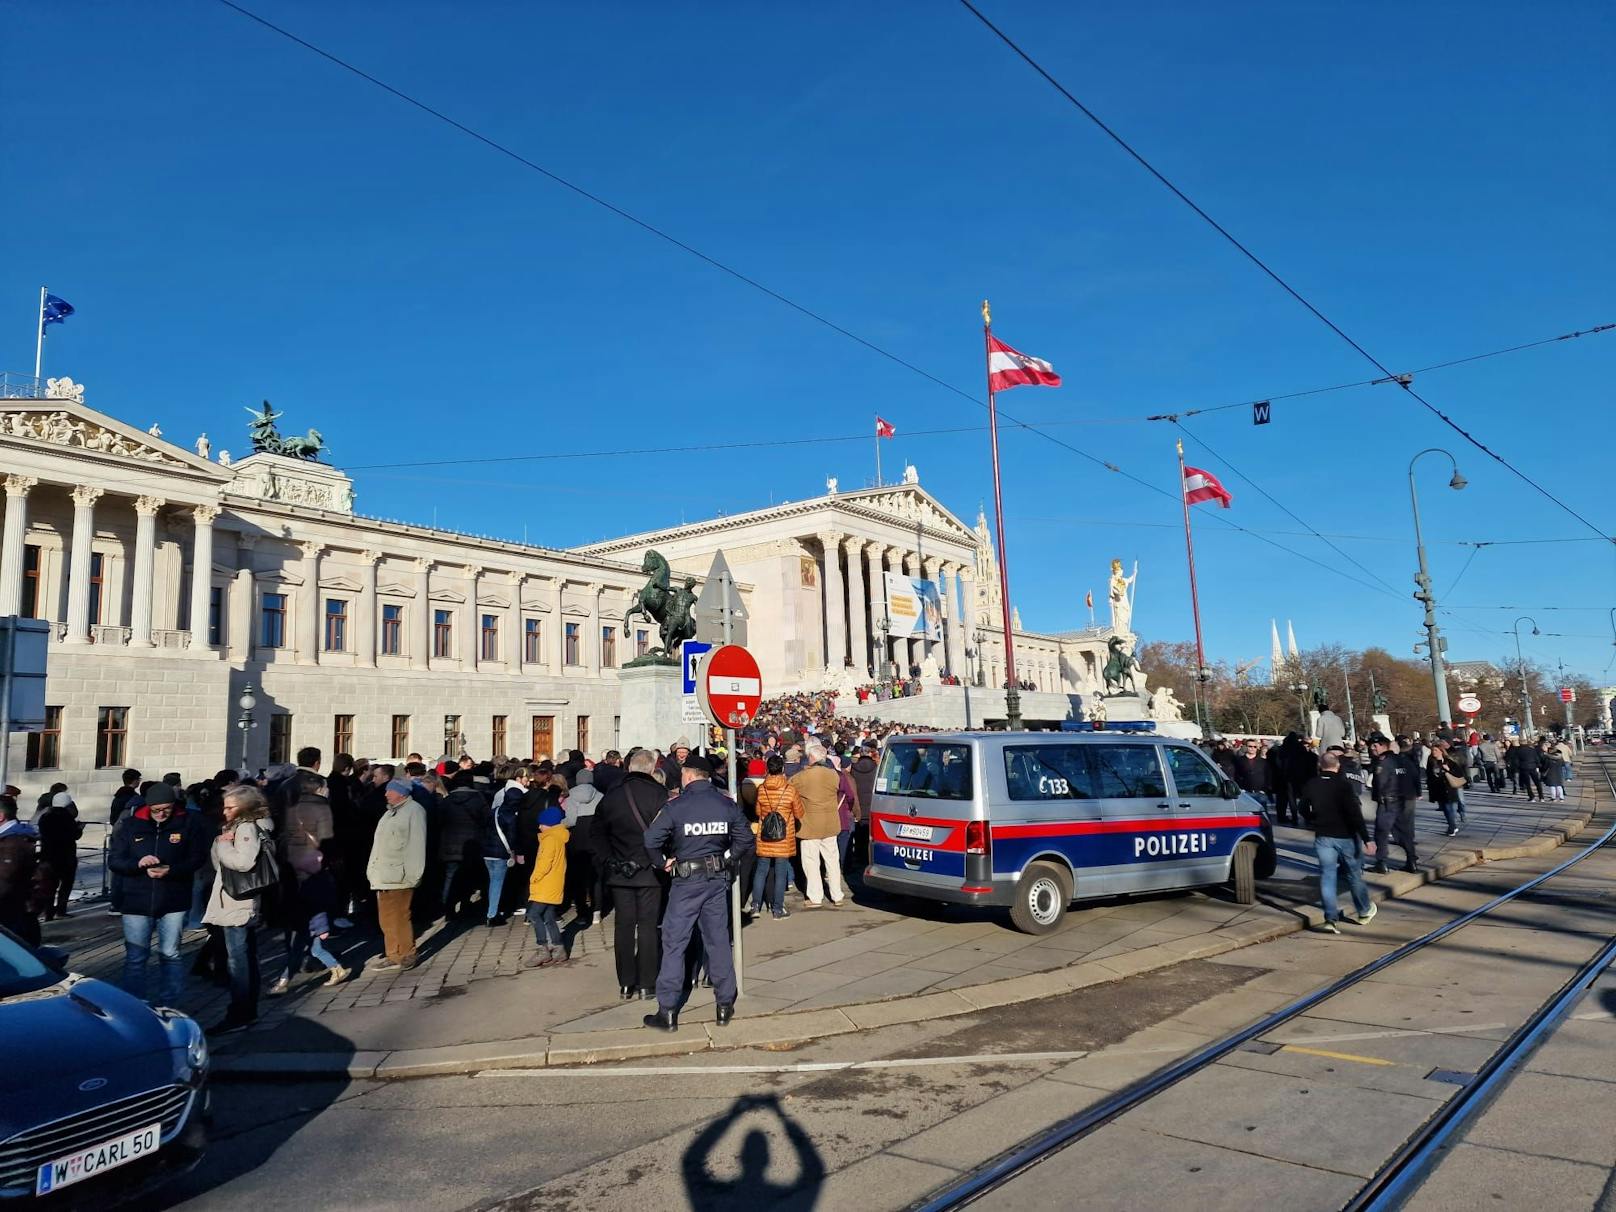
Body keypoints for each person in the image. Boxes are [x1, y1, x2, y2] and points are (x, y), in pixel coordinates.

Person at [641, 755, 754, 1031]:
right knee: (717, 941)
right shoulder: (725, 804)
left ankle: (667, 1010)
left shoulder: (676, 807)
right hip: (716, 879)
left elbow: (650, 840)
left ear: (689, 776)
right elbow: (746, 839)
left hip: (686, 882)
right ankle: (724, 1004)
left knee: (675, 942)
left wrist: (661, 861)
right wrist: (728, 858)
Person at [108, 783, 209, 1005]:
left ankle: (169, 1002)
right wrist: (138, 863)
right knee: (136, 956)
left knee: (170, 954)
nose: (162, 814)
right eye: (156, 810)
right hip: (136, 899)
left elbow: (197, 859)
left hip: (173, 898)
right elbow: (115, 861)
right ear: (148, 807)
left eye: (167, 809)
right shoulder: (131, 825)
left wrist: (171, 870)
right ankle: (135, 1003)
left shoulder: (187, 823)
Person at [594, 749, 669, 999]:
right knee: (648, 926)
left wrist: (609, 860)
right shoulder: (660, 795)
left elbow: (598, 833)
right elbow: (669, 833)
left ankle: (626, 983)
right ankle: (647, 983)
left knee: (623, 927)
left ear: (629, 768)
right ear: (652, 768)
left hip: (619, 871)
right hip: (650, 870)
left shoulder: (611, 797)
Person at [204, 785, 275, 1035]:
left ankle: (240, 1013)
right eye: (224, 806)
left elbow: (242, 862)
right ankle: (246, 1010)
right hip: (236, 900)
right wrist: (221, 842)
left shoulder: (246, 828)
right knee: (245, 956)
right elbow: (219, 865)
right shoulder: (238, 827)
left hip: (237, 902)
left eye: (231, 807)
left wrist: (223, 845)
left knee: (238, 961)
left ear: (245, 807)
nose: (225, 812)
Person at [1301, 752, 1377, 933]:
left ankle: (1330, 919)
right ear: (1338, 766)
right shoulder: (1344, 785)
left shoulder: (1312, 784)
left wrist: (1312, 819)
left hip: (1323, 835)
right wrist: (1367, 839)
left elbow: (1302, 807)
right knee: (1353, 876)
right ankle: (1364, 910)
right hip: (1345, 835)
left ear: (1320, 765)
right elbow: (1354, 814)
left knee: (1327, 877)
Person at [367, 778, 427, 971]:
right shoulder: (389, 813)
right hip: (383, 875)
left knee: (400, 916)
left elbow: (417, 845)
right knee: (386, 919)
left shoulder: (414, 811)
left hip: (401, 875)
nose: (386, 794)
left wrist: (414, 874)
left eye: (390, 791)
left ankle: (407, 953)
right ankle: (393, 953)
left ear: (401, 792)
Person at [790, 742, 846, 907]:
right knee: (832, 861)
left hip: (810, 825)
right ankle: (837, 895)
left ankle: (815, 896)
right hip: (830, 823)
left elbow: (791, 785)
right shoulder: (833, 775)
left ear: (812, 758)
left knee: (811, 861)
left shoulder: (803, 776)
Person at [751, 755, 802, 920]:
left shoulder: (761, 789)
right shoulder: (789, 789)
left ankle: (755, 906)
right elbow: (799, 812)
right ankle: (778, 909)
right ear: (783, 769)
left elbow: (758, 812)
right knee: (781, 874)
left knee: (761, 871)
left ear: (767, 769)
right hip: (783, 836)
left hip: (765, 835)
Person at [437, 771, 488, 919]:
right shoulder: (478, 799)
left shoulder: (448, 800)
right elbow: (486, 820)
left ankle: (448, 908)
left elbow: (439, 820)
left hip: (450, 845)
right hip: (472, 845)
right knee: (468, 878)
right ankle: (465, 906)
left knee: (450, 877)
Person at [524, 806, 568, 968]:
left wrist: (533, 878)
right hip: (553, 884)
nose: (539, 827)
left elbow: (544, 863)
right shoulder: (558, 837)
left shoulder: (549, 839)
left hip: (545, 885)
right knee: (548, 917)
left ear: (548, 824)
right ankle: (559, 948)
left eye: (541, 824)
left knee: (534, 914)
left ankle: (543, 949)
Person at [1367, 734, 1419, 874]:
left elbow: (1380, 783)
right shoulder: (1403, 760)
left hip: (1387, 803)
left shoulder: (1383, 762)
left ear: (1384, 746)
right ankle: (1411, 861)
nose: (1372, 749)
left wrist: (1377, 796)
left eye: (1375, 746)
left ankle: (1381, 863)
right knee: (1404, 833)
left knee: (1381, 833)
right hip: (1402, 800)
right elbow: (1414, 776)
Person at [562, 769, 603, 926]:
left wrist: (560, 824)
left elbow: (571, 820)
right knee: (596, 877)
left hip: (577, 840)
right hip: (595, 839)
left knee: (578, 878)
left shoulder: (571, 795)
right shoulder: (600, 795)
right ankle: (597, 911)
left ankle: (581, 913)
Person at [35, 790, 84, 920]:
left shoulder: (45, 817)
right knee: (65, 885)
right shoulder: (67, 817)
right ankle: (61, 910)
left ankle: (48, 912)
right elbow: (74, 835)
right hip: (66, 856)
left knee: (50, 886)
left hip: (48, 856)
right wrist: (79, 829)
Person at [0, 795, 41, 946]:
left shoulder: (12, 843)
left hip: (10, 917)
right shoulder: (11, 839)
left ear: (0, 816)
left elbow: (5, 883)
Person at [1426, 741, 1466, 836]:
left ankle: (1452, 827)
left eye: (1435, 750)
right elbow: (1429, 775)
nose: (1433, 752)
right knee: (1445, 809)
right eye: (1432, 751)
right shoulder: (1431, 762)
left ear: (1441, 751)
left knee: (1449, 809)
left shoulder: (1448, 761)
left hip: (1449, 788)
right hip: (1438, 788)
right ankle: (1452, 826)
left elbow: (1459, 773)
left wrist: (1448, 770)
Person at [1515, 738, 1544, 802]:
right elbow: (1536, 758)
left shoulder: (1518, 751)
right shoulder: (1532, 750)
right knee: (1537, 782)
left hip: (1524, 768)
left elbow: (1516, 761)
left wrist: (1518, 768)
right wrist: (1538, 765)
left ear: (1520, 743)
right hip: (1533, 767)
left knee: (1528, 783)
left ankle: (1532, 797)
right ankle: (1541, 797)